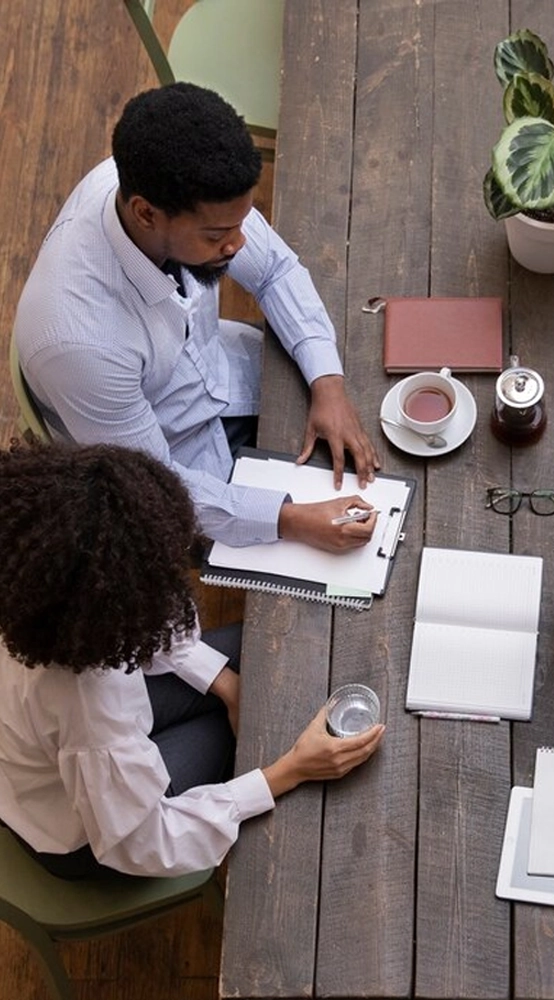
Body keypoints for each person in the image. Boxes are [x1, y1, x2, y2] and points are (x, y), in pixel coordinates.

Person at [13, 82, 381, 555]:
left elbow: (275, 270)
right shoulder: (79, 342)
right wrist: (288, 519)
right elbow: (151, 478)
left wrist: (328, 384)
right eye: (218, 235)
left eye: (242, 222)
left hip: (229, 375)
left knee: (370, 416)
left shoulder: (171, 181)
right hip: (172, 461)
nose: (239, 244)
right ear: (146, 213)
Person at [0, 442, 385, 879]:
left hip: (59, 750)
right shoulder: (86, 701)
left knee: (260, 661)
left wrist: (226, 684)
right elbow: (146, 841)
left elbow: (141, 621)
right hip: (91, 836)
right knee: (257, 725)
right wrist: (286, 771)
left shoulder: (40, 588)